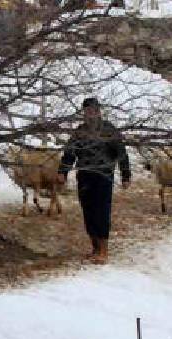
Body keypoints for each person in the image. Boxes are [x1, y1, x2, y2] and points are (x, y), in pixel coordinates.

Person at [58, 97, 130, 264]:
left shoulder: (109, 130)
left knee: (101, 211)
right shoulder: (80, 131)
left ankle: (103, 250)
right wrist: (63, 171)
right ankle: (95, 248)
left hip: (103, 176)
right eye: (87, 111)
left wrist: (126, 175)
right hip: (84, 175)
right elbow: (69, 153)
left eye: (93, 110)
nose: (90, 114)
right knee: (88, 211)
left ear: (98, 111)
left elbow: (121, 153)